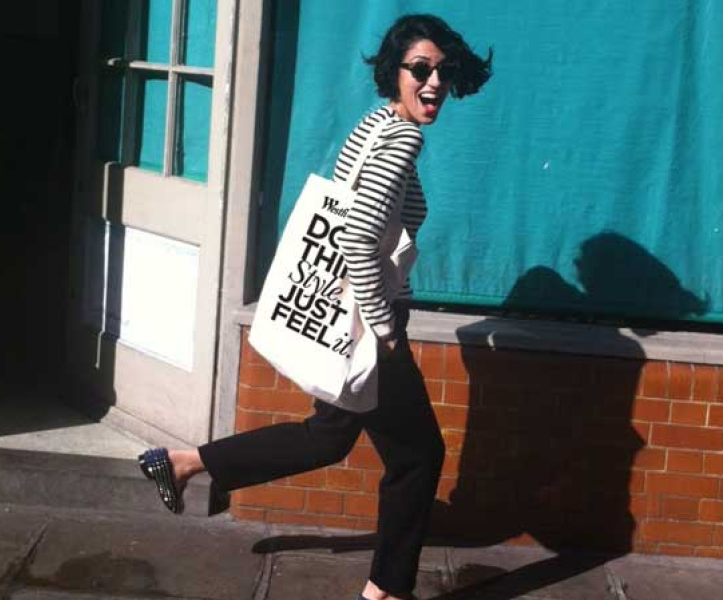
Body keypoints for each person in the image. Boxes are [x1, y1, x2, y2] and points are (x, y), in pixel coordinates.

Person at [138, 14, 491, 600]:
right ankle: (386, 591)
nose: (434, 83)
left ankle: (182, 463)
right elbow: (355, 237)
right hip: (372, 324)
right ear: (396, 72)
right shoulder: (402, 138)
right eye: (420, 69)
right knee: (418, 456)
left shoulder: (374, 124)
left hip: (356, 317)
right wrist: (385, 330)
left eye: (443, 72)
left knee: (328, 437)